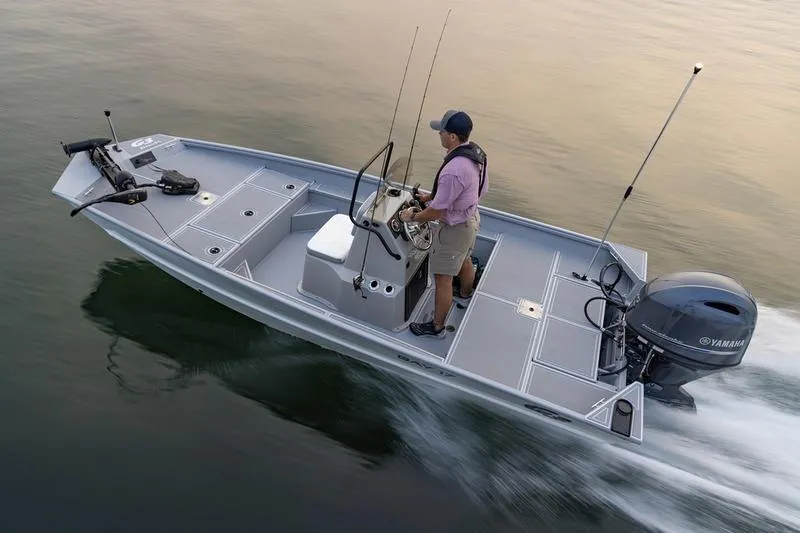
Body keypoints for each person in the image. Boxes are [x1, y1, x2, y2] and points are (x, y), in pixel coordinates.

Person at [399, 109, 488, 337]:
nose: (439, 134)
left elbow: (435, 214)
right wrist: (430, 198)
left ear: (452, 137)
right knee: (465, 258)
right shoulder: (476, 154)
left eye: (442, 131)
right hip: (471, 219)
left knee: (442, 278)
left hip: (455, 230)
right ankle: (465, 293)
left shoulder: (453, 170)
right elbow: (479, 189)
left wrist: (412, 216)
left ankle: (436, 326)